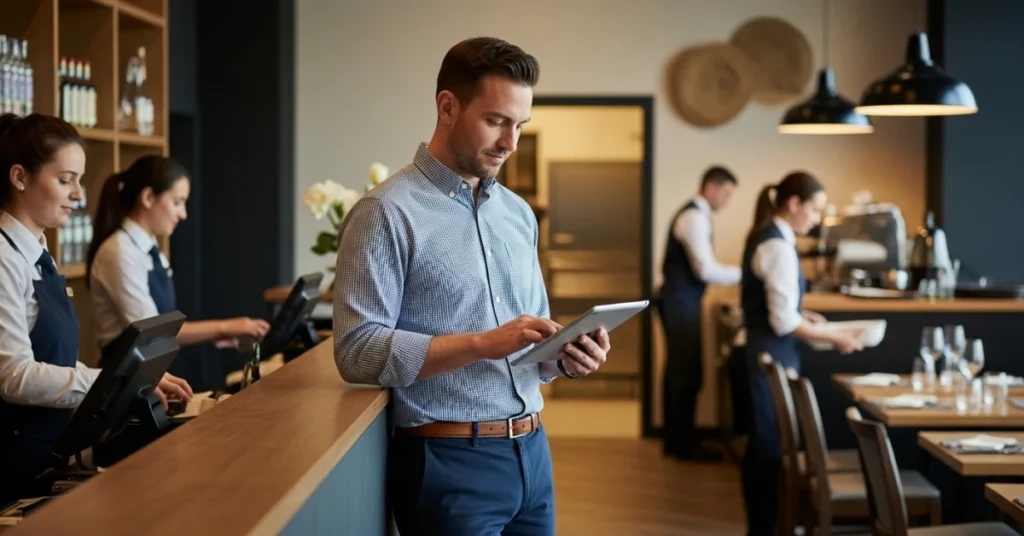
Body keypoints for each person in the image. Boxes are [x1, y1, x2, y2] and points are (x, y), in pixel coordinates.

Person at [333, 37, 611, 535]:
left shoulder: (519, 215)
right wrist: (484, 344)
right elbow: (356, 350)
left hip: (533, 454)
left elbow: (530, 348)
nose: (511, 143)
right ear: (447, 107)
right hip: (447, 461)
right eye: (497, 121)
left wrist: (563, 356)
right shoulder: (386, 213)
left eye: (520, 125)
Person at [0, 113, 193, 504]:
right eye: (65, 180)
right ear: (20, 178)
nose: (79, 195)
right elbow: (13, 376)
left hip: (47, 454)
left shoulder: (39, 254)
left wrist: (119, 383)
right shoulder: (4, 257)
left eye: (79, 181)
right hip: (12, 470)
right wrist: (109, 383)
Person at [739, 171, 863, 535]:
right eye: (815, 209)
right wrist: (835, 337)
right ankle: (765, 527)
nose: (817, 218)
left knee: (766, 445)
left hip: (764, 352)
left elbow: (779, 309)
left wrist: (803, 315)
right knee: (769, 447)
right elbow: (781, 322)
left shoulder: (772, 237)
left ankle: (763, 526)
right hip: (771, 354)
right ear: (794, 204)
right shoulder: (778, 246)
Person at [85, 155, 270, 384]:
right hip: (121, 384)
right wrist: (224, 326)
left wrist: (226, 333)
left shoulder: (150, 249)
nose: (183, 214)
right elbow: (153, 332)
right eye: (177, 202)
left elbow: (165, 325)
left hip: (149, 377)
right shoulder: (119, 252)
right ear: (148, 197)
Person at [659, 165, 741, 462]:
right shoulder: (693, 216)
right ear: (712, 187)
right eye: (727, 193)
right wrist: (745, 274)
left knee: (682, 370)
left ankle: (677, 441)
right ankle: (683, 445)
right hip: (680, 301)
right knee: (685, 373)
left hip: (682, 300)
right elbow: (705, 269)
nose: (727, 201)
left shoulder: (697, 214)